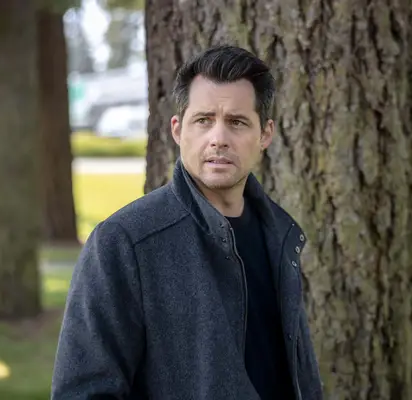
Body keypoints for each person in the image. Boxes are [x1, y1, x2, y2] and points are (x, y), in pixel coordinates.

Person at [51, 45, 323, 400]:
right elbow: (84, 391)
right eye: (204, 120)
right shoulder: (124, 242)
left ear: (265, 134)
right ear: (178, 130)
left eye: (237, 122)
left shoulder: (280, 234)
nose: (219, 139)